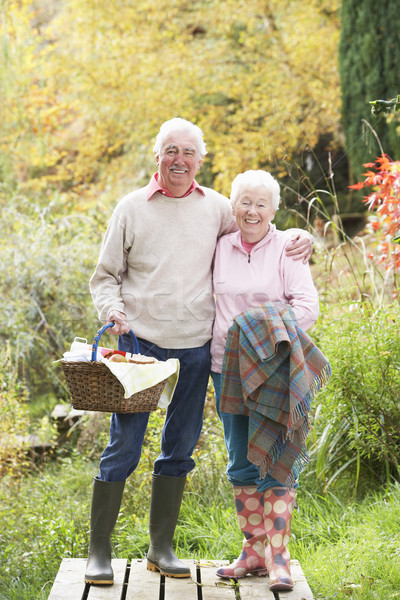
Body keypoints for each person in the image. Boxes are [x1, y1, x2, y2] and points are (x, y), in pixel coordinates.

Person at [86, 119, 313, 585]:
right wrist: (113, 310)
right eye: (170, 150)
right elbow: (105, 275)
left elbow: (259, 225)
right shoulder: (130, 209)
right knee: (123, 448)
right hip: (139, 345)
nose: (179, 160)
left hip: (195, 348)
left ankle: (160, 549)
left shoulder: (217, 208)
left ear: (200, 161)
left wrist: (300, 238)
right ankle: (99, 553)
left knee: (179, 450)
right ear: (157, 156)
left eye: (188, 152)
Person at [210, 170, 330, 591]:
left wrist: (266, 337)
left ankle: (279, 558)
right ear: (233, 206)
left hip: (276, 369)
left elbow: (307, 306)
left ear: (275, 211)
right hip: (226, 369)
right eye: (245, 201)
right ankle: (253, 551)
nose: (252, 210)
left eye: (261, 203)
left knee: (275, 459)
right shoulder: (219, 247)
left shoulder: (287, 248)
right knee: (240, 460)